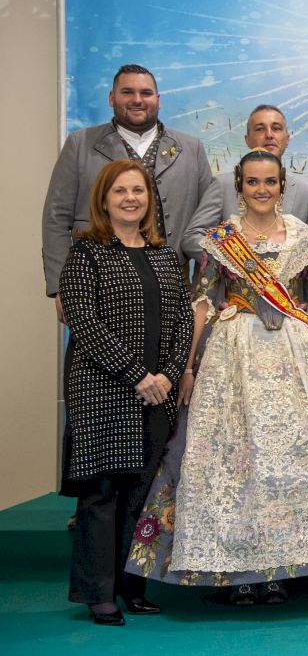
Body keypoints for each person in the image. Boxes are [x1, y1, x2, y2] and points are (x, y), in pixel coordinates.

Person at [125, 150, 308, 605]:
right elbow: (202, 304)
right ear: (239, 186)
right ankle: (238, 573)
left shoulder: (301, 235)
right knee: (237, 461)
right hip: (234, 354)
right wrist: (187, 367)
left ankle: (278, 569)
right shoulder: (222, 239)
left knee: (291, 460)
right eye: (253, 182)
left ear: (282, 186)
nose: (262, 189)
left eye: (270, 181)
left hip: (297, 352)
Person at [59, 159, 193, 625]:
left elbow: (183, 321)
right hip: (103, 390)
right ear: (104, 199)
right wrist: (138, 375)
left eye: (138, 190)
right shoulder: (86, 253)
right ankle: (98, 592)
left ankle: (131, 586)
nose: (130, 198)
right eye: (120, 191)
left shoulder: (165, 255)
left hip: (157, 395)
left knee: (142, 491)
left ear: (149, 199)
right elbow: (83, 321)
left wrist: (168, 376)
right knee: (102, 493)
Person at [43, 64, 213, 322]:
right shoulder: (80, 144)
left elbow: (208, 224)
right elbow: (56, 218)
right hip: (98, 283)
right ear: (112, 98)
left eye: (146, 93)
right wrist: (61, 286)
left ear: (158, 99)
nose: (137, 100)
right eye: (127, 92)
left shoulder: (192, 148)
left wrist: (205, 285)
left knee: (172, 348)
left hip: (173, 284)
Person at [182, 104, 308, 261]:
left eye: (276, 128)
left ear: (287, 139)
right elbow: (193, 237)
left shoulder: (305, 193)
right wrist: (234, 263)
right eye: (260, 129)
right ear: (247, 140)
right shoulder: (223, 184)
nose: (269, 135)